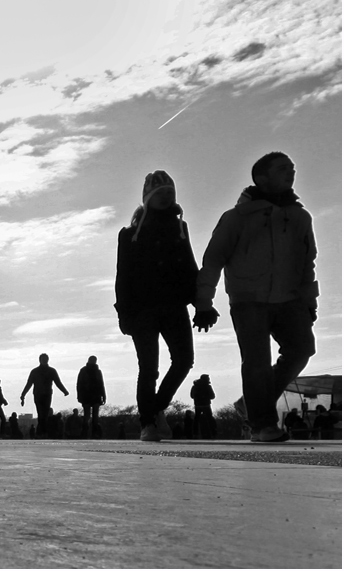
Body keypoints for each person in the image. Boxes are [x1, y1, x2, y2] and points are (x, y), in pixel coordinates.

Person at [194, 153, 318, 443]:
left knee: (302, 349)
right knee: (257, 362)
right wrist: (204, 303)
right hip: (248, 298)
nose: (291, 172)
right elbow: (213, 260)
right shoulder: (237, 217)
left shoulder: (300, 217)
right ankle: (262, 424)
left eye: (292, 167)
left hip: (289, 299)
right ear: (261, 178)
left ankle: (251, 404)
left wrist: (309, 302)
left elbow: (307, 262)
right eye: (282, 168)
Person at [115, 171, 199, 442]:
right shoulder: (129, 234)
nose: (166, 197)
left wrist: (202, 304)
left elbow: (190, 267)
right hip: (142, 309)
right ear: (148, 198)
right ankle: (147, 423)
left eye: (170, 193)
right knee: (149, 368)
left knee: (184, 360)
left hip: (175, 305)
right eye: (160, 193)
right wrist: (123, 313)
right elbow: (123, 275)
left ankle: (157, 407)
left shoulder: (180, 228)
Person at [19, 354, 69, 438]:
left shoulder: (52, 371)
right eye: (43, 359)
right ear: (40, 360)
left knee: (45, 414)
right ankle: (41, 432)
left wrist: (64, 391)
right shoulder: (35, 371)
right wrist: (23, 394)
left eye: (46, 359)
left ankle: (42, 432)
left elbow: (58, 382)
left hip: (47, 394)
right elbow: (29, 384)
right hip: (38, 394)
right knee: (40, 413)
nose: (44, 360)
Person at [76, 356, 106, 439]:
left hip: (94, 396)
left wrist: (103, 396)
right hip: (87, 396)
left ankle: (93, 433)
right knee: (87, 416)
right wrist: (79, 396)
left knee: (94, 417)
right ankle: (86, 432)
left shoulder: (97, 371)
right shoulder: (84, 371)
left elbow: (101, 384)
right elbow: (79, 384)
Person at [190, 374, 216, 440]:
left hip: (197, 405)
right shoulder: (207, 386)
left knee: (196, 419)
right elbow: (212, 396)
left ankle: (195, 434)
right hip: (206, 405)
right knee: (210, 419)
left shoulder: (195, 386)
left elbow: (192, 396)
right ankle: (213, 434)